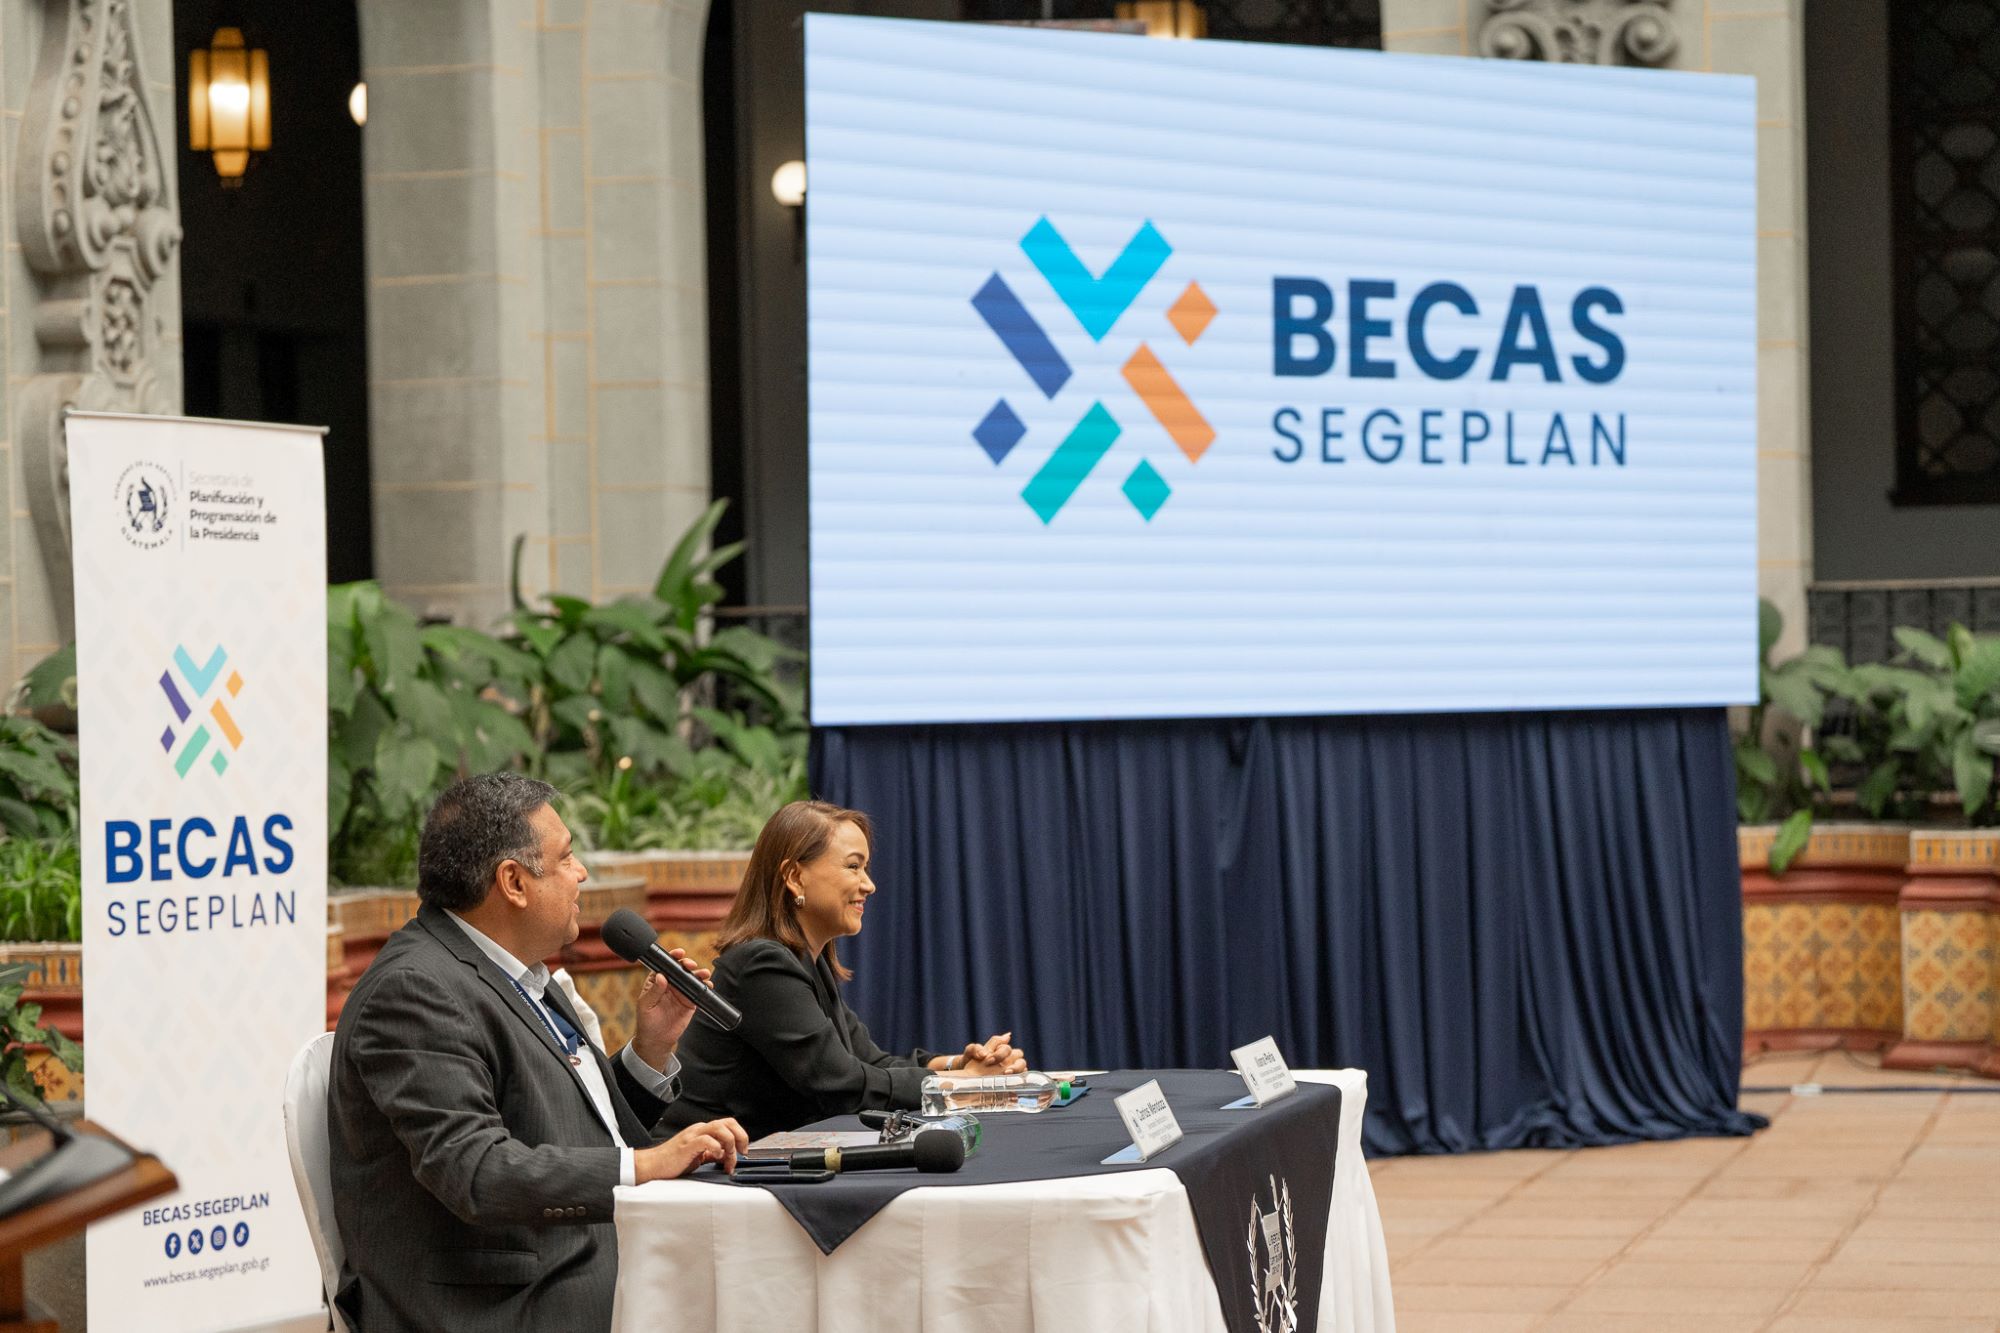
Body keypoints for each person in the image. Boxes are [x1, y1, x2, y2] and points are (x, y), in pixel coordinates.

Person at [328, 773, 749, 1333]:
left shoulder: (519, 970)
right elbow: (475, 1170)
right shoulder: (415, 991)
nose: (582, 873)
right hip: (500, 1303)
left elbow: (571, 1125)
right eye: (567, 857)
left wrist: (650, 1049)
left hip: (575, 1258)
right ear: (514, 882)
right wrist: (647, 1164)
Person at [662, 800, 1027, 1142]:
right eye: (853, 866)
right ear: (794, 877)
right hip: (702, 1169)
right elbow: (841, 1084)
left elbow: (871, 1061)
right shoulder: (761, 964)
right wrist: (962, 1083)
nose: (869, 884)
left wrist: (959, 1065)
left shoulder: (806, 961)